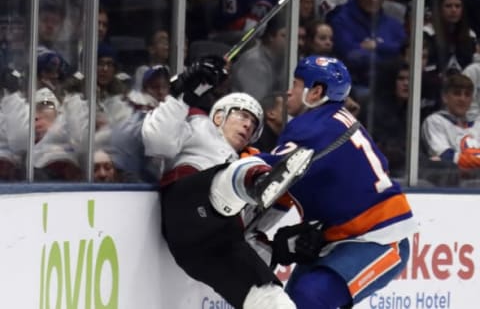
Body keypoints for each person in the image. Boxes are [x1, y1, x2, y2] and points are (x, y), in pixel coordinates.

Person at [142, 56, 308, 308]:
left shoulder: (244, 160)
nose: (248, 125)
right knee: (247, 169)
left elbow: (247, 232)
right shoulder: (197, 126)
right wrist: (181, 96)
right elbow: (156, 141)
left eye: (253, 125)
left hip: (207, 249)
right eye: (242, 115)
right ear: (218, 117)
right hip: (185, 211)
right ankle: (248, 182)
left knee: (268, 294)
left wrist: (280, 248)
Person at [252, 56, 416, 308]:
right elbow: (286, 186)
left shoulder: (313, 127)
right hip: (342, 238)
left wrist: (234, 156)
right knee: (290, 303)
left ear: (315, 92)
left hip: (379, 239)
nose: (288, 91)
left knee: (310, 297)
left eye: (295, 84)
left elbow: (271, 170)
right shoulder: (331, 120)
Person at [421, 73, 480, 184]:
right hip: (449, 186)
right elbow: (445, 156)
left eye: (467, 95)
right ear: (445, 97)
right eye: (457, 94)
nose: (462, 99)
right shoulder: (435, 121)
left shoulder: (478, 123)